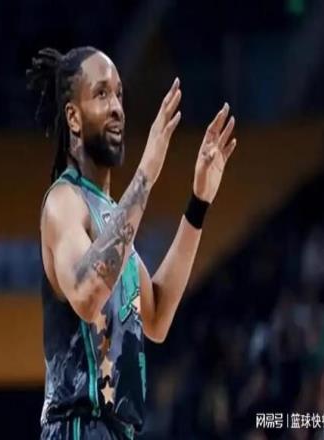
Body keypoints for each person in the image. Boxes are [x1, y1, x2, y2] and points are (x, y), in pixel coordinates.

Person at [27, 46, 237, 439]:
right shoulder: (64, 202)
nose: (117, 107)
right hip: (77, 427)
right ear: (73, 117)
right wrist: (146, 173)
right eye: (101, 93)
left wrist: (198, 203)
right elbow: (87, 294)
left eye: (119, 95)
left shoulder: (112, 214)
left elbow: (156, 316)